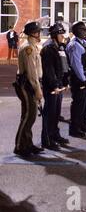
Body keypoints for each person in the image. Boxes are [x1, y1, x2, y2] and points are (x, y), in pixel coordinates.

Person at [13, 22, 44, 157]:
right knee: (27, 116)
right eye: (38, 32)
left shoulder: (33, 47)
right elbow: (31, 73)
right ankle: (19, 146)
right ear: (32, 33)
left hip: (31, 84)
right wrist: (37, 89)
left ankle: (28, 144)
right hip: (27, 85)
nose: (39, 34)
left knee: (30, 116)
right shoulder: (28, 49)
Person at [40, 23, 70, 150]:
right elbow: (49, 70)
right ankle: (47, 140)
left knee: (56, 113)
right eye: (60, 34)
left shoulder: (60, 47)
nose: (63, 36)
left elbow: (64, 66)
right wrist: (54, 85)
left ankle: (55, 135)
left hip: (58, 85)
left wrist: (65, 82)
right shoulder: (48, 48)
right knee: (49, 113)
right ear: (54, 35)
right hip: (51, 86)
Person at [66, 21, 86, 138]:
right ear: (77, 31)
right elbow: (76, 64)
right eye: (83, 29)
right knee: (78, 104)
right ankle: (75, 128)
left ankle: (82, 124)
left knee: (85, 104)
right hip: (79, 78)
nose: (85, 32)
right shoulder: (74, 45)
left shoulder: (84, 43)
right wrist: (83, 79)